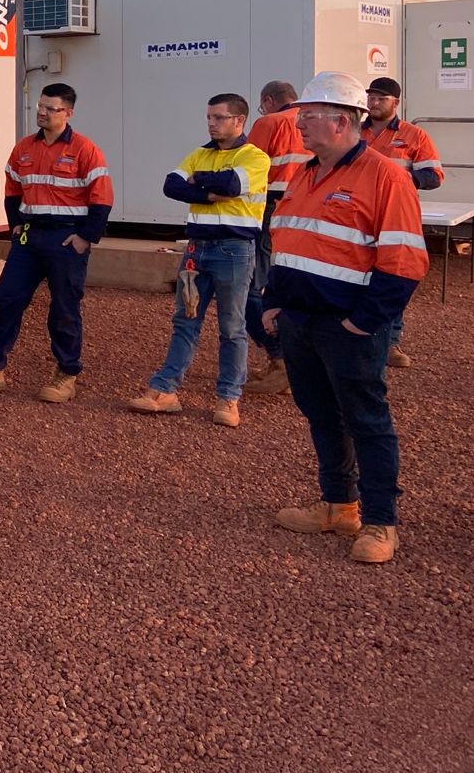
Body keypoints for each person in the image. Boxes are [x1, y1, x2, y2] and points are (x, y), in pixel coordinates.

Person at [263, 71, 427, 565]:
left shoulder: (386, 176)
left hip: (347, 326)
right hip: (300, 321)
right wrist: (274, 300)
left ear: (341, 121)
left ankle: (381, 522)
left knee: (367, 420)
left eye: (308, 118)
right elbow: (288, 241)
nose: (300, 127)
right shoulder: (306, 173)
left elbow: (405, 260)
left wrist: (364, 321)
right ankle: (338, 505)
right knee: (321, 414)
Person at [0, 83, 113, 404]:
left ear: (68, 113)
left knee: (64, 309)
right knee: (7, 301)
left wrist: (85, 237)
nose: (42, 113)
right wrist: (15, 225)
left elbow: (102, 199)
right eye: (40, 107)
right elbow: (12, 189)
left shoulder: (86, 150)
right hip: (29, 237)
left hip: (66, 240)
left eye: (51, 108)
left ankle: (66, 373)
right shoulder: (24, 148)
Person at [127, 94, 269, 427]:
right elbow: (170, 186)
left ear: (239, 120)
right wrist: (207, 192)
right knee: (185, 321)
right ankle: (165, 390)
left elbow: (232, 185)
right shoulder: (200, 153)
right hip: (196, 249)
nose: (211, 123)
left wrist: (198, 180)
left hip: (234, 250)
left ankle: (228, 397)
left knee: (232, 327)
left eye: (218, 117)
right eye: (208, 117)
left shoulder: (255, 157)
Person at [361, 76, 445, 369]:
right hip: (358, 217)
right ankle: (362, 334)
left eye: (381, 98)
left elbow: (434, 176)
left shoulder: (414, 136)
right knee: (359, 274)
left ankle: (391, 342)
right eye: (371, 97)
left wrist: (400, 179)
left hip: (397, 216)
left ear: (395, 103)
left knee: (393, 274)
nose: (374, 103)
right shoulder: (356, 133)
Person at [242, 80, 310, 393]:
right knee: (290, 280)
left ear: (269, 101)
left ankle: (280, 357)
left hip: (268, 206)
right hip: (305, 209)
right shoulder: (312, 122)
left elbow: (247, 168)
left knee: (254, 283)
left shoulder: (269, 123)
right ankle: (292, 362)